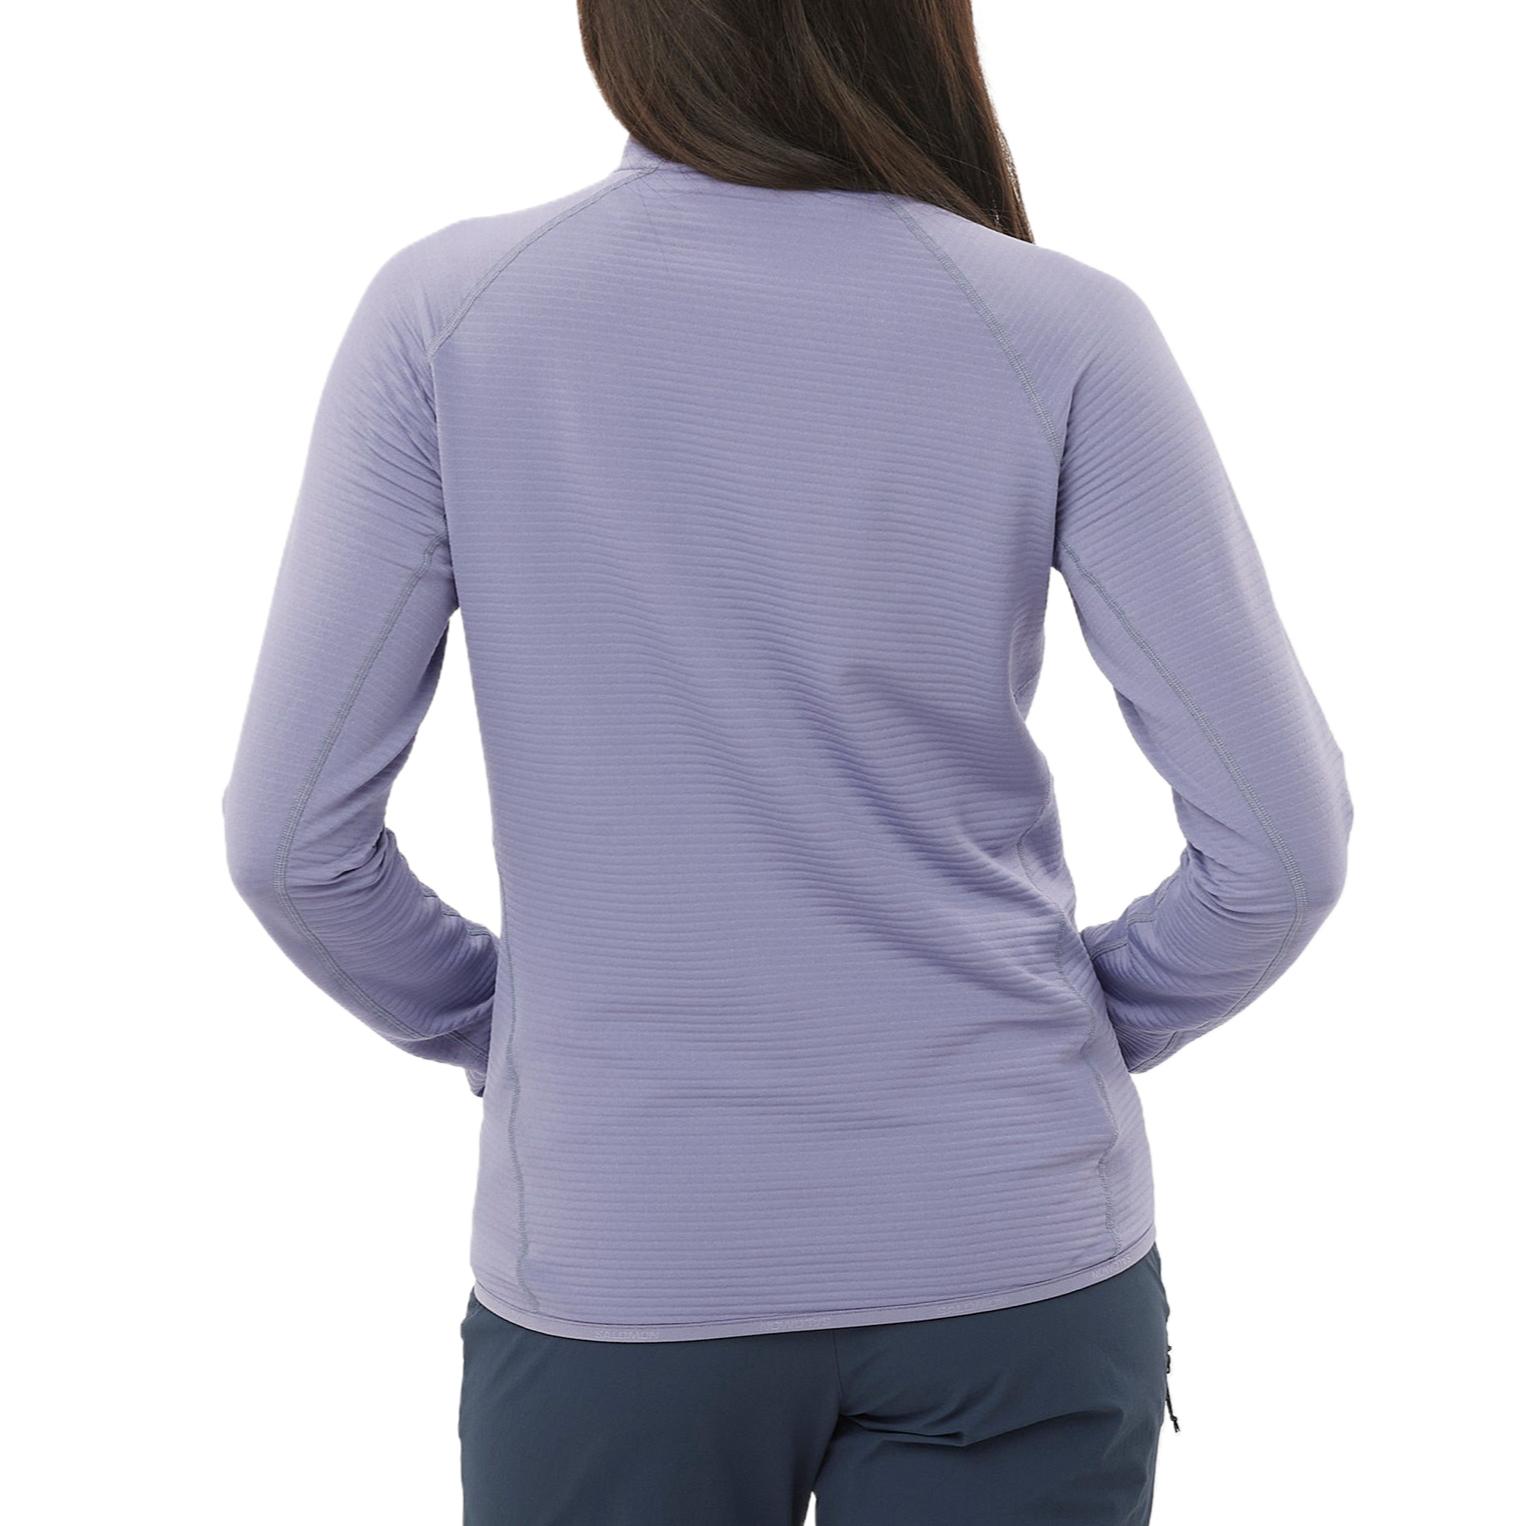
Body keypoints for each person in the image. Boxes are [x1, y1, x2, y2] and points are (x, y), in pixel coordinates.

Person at [224, 1, 1352, 1520]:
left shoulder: (452, 319)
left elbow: (291, 842)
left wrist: (515, 1032)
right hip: (1008, 1235)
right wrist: (1073, 1026)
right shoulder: (1061, 329)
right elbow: (1280, 850)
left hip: (624, 1252)